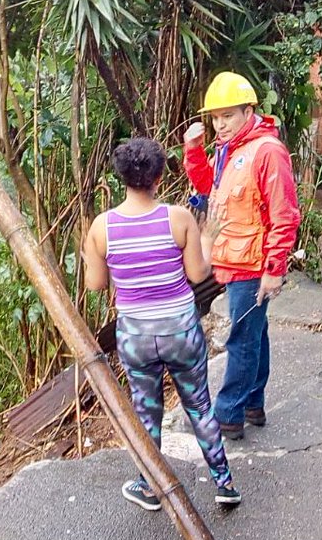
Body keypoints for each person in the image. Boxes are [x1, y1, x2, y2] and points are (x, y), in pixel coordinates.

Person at [82, 137, 241, 510]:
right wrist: (208, 237)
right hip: (180, 329)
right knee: (199, 405)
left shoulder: (102, 227)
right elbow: (199, 273)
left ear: (121, 177)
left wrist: (91, 250)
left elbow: (95, 284)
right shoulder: (178, 218)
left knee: (145, 410)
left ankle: (149, 485)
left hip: (136, 334)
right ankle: (224, 482)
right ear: (157, 177)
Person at [182, 71, 301, 440]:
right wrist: (193, 152)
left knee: (242, 338)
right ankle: (253, 404)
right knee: (254, 333)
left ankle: (227, 415)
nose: (221, 124)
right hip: (232, 259)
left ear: (249, 110)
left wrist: (274, 269)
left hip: (253, 265)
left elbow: (285, 214)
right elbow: (208, 188)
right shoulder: (227, 149)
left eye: (228, 115)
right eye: (215, 117)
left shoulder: (267, 151)